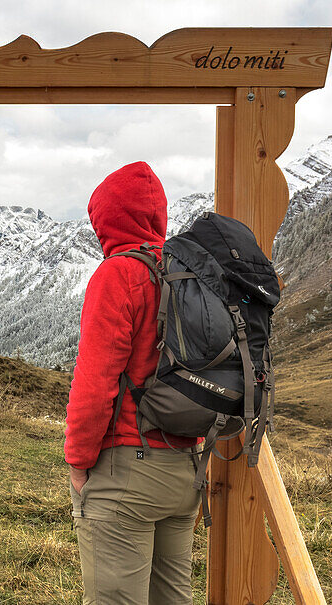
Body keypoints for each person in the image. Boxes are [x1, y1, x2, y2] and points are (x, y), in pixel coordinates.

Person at [65, 161, 202, 605]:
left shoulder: (119, 274)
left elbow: (94, 380)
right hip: (186, 470)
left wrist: (79, 461)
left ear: (106, 217)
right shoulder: (191, 277)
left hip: (127, 468)